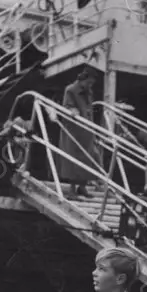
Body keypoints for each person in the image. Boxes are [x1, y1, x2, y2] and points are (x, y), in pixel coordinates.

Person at [58, 68, 96, 197]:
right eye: (88, 82)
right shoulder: (70, 89)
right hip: (74, 130)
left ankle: (82, 187)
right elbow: (67, 106)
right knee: (73, 159)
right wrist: (73, 110)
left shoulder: (88, 92)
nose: (90, 85)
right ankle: (72, 189)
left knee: (88, 157)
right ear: (82, 80)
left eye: (91, 83)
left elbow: (89, 108)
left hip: (86, 129)